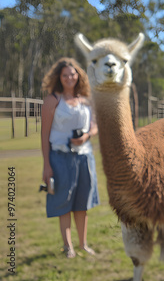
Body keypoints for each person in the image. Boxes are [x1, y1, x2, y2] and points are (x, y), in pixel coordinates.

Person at [41, 57, 100, 258]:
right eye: (65, 75)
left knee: (82, 204)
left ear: (78, 76)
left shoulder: (86, 100)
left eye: (72, 74)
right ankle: (69, 247)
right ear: (59, 77)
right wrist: (46, 165)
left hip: (84, 157)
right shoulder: (53, 100)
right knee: (63, 203)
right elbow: (45, 134)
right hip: (60, 157)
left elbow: (94, 125)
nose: (69, 78)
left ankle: (83, 244)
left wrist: (87, 136)